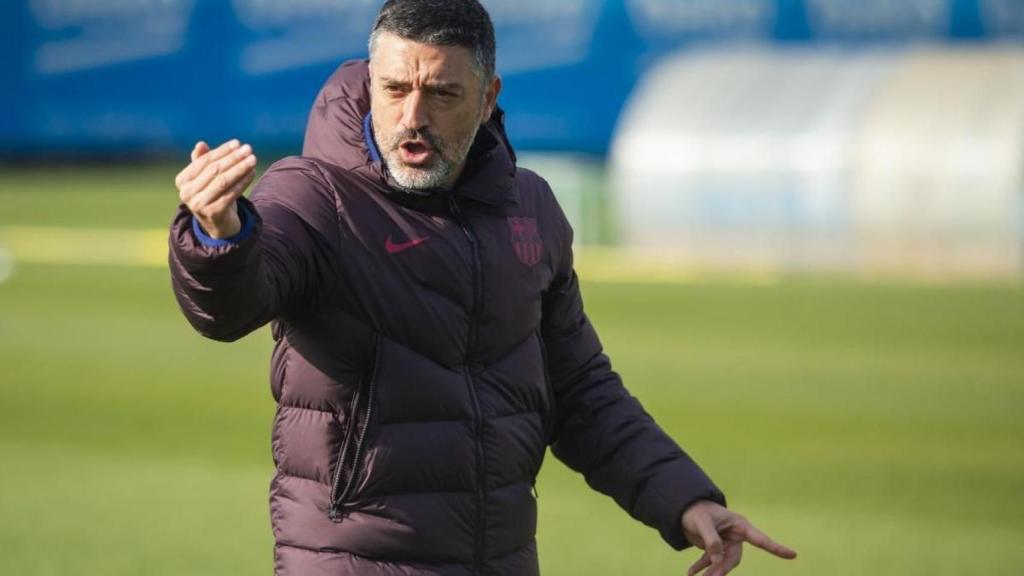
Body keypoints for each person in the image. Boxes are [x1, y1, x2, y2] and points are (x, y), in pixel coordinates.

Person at [169, 1, 797, 575]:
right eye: (394, 90)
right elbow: (229, 308)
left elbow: (577, 388)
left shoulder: (531, 208)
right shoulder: (312, 194)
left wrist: (681, 497)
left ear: (488, 94)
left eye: (441, 93)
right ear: (369, 86)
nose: (412, 117)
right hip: (354, 561)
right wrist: (218, 235)